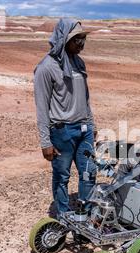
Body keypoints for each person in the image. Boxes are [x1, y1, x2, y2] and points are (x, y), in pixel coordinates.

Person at [34, 18, 97, 219]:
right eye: (76, 39)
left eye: (83, 38)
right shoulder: (46, 68)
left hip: (84, 130)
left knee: (89, 173)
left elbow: (85, 98)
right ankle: (63, 216)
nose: (81, 43)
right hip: (62, 132)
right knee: (62, 176)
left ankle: (84, 216)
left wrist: (91, 123)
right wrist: (45, 141)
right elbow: (42, 107)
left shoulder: (79, 63)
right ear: (63, 39)